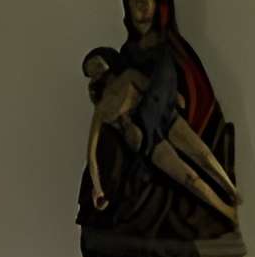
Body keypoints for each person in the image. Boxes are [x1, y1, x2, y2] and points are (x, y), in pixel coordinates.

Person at [81, 47, 239, 218]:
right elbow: (91, 155)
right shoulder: (101, 109)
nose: (94, 68)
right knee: (189, 179)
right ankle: (227, 211)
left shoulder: (128, 76)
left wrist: (174, 96)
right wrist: (97, 189)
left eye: (95, 62)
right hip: (148, 141)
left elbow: (155, 90)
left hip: (161, 118)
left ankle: (231, 189)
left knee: (204, 155)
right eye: (90, 69)